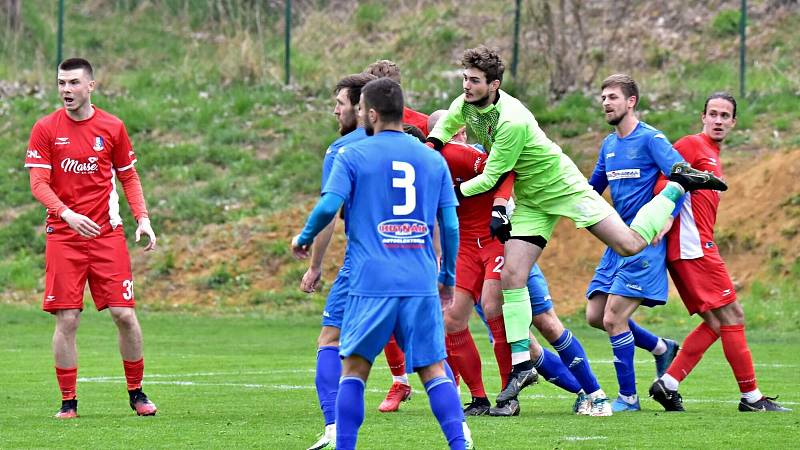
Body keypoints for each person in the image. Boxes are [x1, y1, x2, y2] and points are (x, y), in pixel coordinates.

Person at [426, 45, 727, 405]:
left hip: (562, 186)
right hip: (533, 200)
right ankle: (522, 364)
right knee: (512, 277)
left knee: (630, 244)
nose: (466, 86)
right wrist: (431, 144)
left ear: (494, 85)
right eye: (464, 79)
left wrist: (452, 190)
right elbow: (446, 124)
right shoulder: (466, 103)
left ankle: (679, 186)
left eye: (474, 81)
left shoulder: (512, 120)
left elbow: (492, 176)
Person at [291, 78, 467, 449]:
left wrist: (304, 237)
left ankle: (344, 443)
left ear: (369, 113)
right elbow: (449, 223)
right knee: (433, 368)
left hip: (371, 279)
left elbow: (328, 206)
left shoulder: (352, 155)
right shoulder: (431, 157)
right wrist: (447, 274)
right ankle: (460, 441)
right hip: (419, 279)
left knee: (354, 368)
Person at [24, 58, 157, 419]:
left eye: (72, 83)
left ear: (90, 86)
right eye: (60, 83)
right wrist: (66, 213)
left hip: (107, 236)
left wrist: (142, 218)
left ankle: (137, 393)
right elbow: (38, 183)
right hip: (64, 237)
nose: (66, 90)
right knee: (67, 319)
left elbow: (128, 176)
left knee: (124, 314)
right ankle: (68, 402)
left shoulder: (112, 127)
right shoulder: (46, 128)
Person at [649, 92, 791, 413]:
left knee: (716, 323)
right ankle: (752, 398)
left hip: (693, 247)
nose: (718, 120)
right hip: (693, 246)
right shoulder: (691, 145)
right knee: (734, 316)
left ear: (733, 122)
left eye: (724, 116)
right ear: (703, 117)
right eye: (712, 114)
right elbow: (662, 180)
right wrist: (667, 214)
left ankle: (667, 384)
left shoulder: (713, 154)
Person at [582, 74, 684, 412]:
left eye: (613, 97)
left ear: (631, 101)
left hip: (644, 242)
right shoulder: (609, 145)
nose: (606, 103)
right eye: (603, 98)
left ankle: (628, 398)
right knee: (595, 315)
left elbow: (684, 176)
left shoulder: (652, 139)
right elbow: (591, 188)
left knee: (613, 318)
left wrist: (668, 215)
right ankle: (660, 348)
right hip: (617, 240)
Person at [299, 72, 376, 450]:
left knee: (330, 341)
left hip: (363, 263)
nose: (335, 111)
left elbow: (329, 213)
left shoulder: (343, 151)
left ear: (362, 108)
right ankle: (460, 435)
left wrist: (314, 265)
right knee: (426, 355)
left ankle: (334, 431)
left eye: (340, 104)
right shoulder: (413, 146)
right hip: (413, 261)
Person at [425, 110, 517, 417]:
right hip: (465, 247)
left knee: (494, 308)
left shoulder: (459, 155)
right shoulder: (426, 165)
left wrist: (501, 209)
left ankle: (509, 396)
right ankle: (479, 398)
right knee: (452, 321)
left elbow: (505, 172)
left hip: (494, 241)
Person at [363, 59, 430, 412]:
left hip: (419, 234)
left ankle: (451, 377)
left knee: (433, 312)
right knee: (385, 314)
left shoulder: (421, 126)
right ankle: (400, 381)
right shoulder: (362, 132)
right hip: (379, 236)